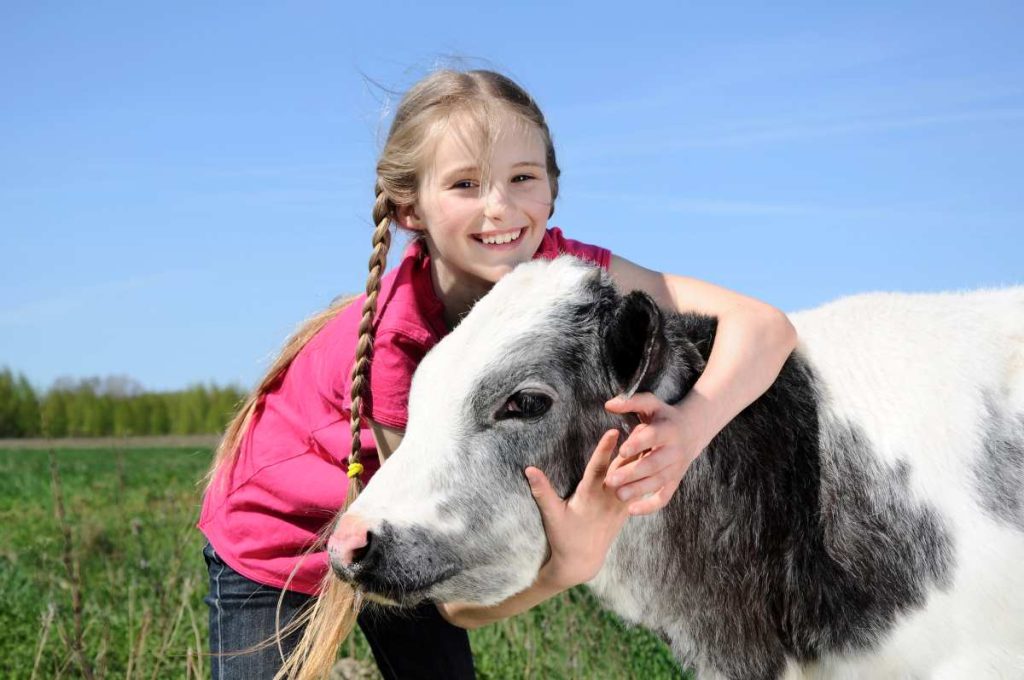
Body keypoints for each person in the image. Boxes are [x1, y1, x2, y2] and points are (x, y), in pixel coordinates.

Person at [198, 68, 797, 679]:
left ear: (553, 189)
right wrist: (571, 563)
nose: (499, 208)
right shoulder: (397, 342)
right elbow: (457, 605)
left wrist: (691, 428)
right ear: (409, 208)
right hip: (280, 541)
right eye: (464, 183)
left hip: (395, 523)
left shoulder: (565, 280)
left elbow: (765, 326)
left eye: (522, 179)